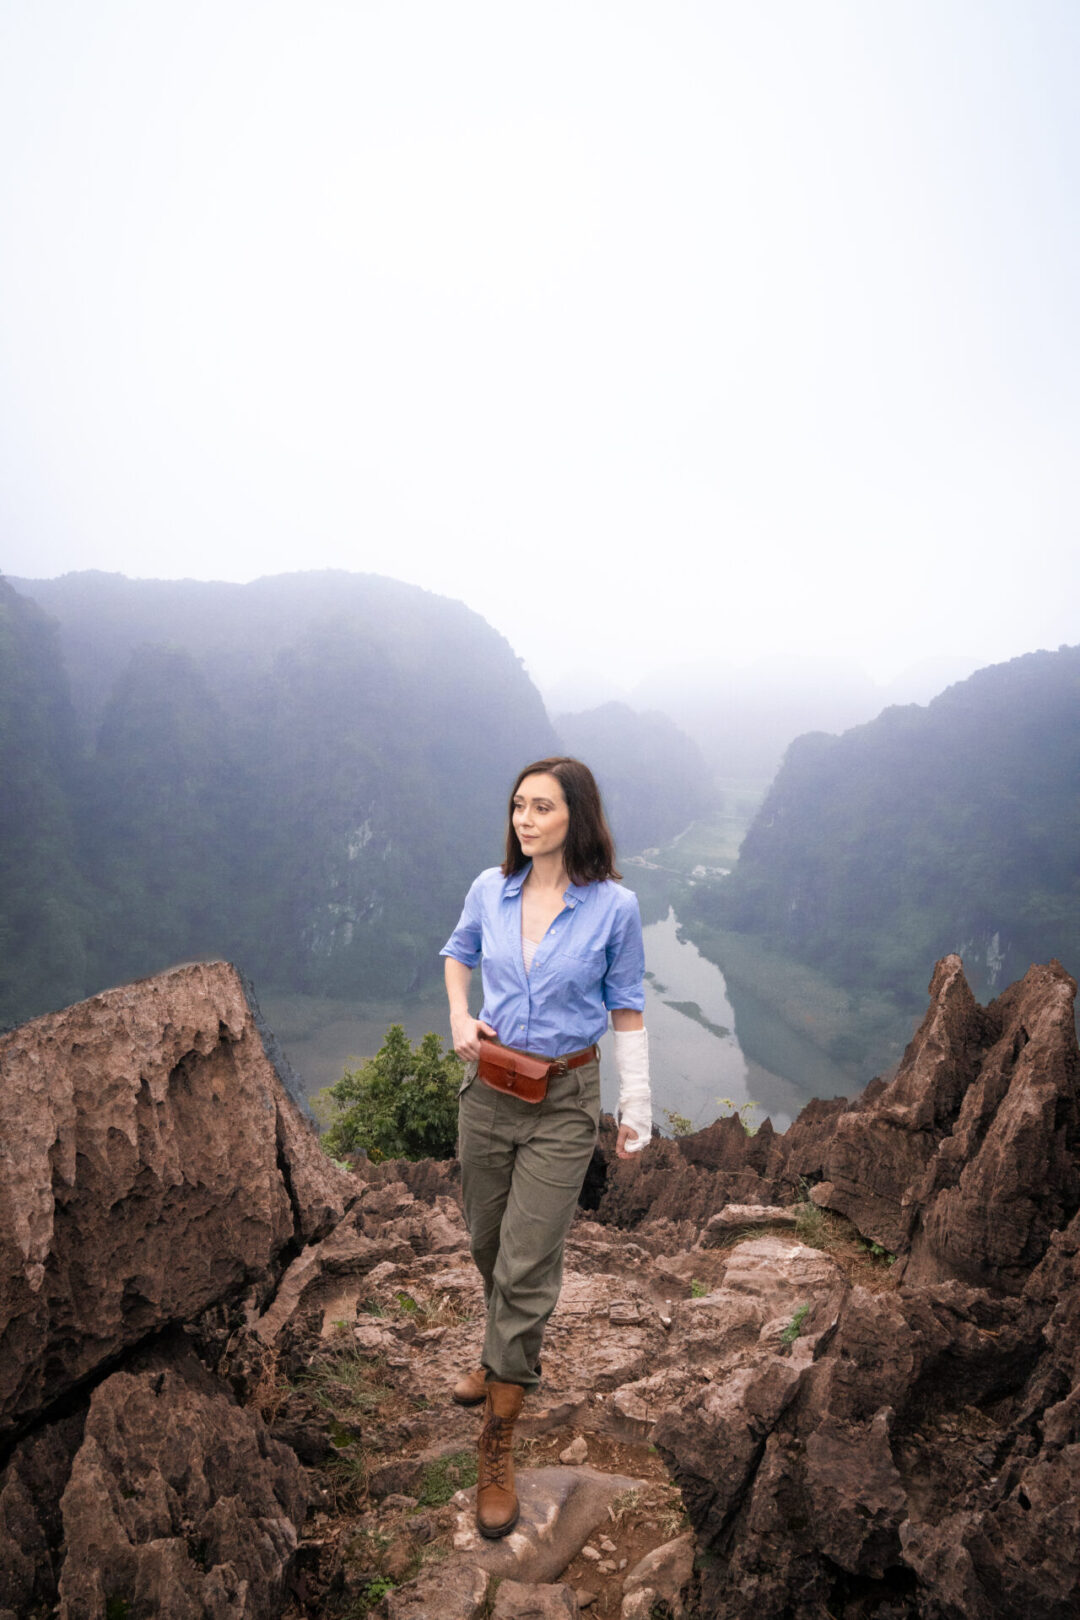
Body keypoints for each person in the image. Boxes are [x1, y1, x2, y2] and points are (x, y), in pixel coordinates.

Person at [441, 756, 652, 1538]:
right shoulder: (486, 891)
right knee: (488, 1244)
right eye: (519, 807)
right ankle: (502, 1355)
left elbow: (626, 1007)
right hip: (488, 1093)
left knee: (528, 1262)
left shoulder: (614, 908)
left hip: (564, 1102)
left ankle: (497, 1435)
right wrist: (461, 1019)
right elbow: (457, 955)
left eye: (543, 809)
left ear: (577, 818)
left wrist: (636, 1106)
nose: (526, 821)